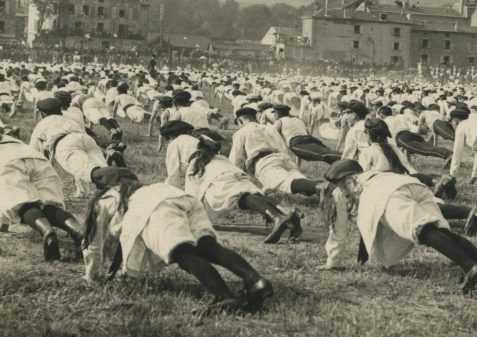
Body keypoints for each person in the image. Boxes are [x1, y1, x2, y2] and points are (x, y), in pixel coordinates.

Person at [82, 167, 274, 315]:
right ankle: (257, 281)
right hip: (180, 196)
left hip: (156, 208)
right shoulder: (150, 188)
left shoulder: (105, 199)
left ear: (104, 186)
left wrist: (93, 276)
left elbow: (93, 242)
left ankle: (224, 296)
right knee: (207, 246)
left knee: (182, 253)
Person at [322, 160, 477, 293]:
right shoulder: (372, 175)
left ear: (342, 181)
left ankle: (471, 267)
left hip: (388, 195)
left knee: (422, 231)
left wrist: (333, 262)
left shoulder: (338, 192)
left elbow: (338, 231)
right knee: (439, 231)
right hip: (411, 185)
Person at [162, 121, 302, 243]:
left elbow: (173, 178)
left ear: (171, 136)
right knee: (249, 191)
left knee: (232, 196)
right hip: (224, 164)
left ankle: (277, 217)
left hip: (207, 168)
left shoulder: (176, 142)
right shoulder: (199, 137)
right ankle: (286, 211)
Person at [0, 128, 84, 260]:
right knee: (49, 204)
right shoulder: (10, 139)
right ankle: (78, 230)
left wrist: (3, 223)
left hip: (7, 160)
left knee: (23, 205)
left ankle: (47, 232)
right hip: (37, 158)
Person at [229, 107, 323, 197]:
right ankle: (327, 188)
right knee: (299, 180)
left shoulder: (241, 132)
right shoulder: (269, 128)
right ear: (255, 118)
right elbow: (282, 145)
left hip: (264, 161)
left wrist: (234, 178)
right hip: (282, 157)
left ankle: (320, 187)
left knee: (284, 183)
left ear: (240, 121)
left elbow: (236, 159)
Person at [272, 104, 342, 164]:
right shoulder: (297, 119)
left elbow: (274, 138)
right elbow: (307, 133)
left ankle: (347, 160)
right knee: (327, 153)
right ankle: (344, 163)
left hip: (296, 142)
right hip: (309, 138)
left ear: (277, 113)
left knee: (325, 155)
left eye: (274, 113)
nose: (274, 115)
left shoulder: (279, 121)